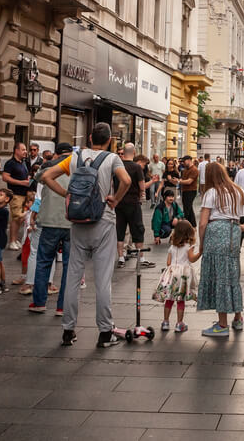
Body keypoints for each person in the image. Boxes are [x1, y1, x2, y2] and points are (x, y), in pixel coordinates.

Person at [40, 122, 132, 347]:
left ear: (90, 138)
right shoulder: (112, 159)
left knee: (72, 277)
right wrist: (116, 199)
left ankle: (68, 330)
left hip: (78, 222)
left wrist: (66, 194)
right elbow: (127, 181)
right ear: (109, 140)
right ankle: (104, 332)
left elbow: (46, 176)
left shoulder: (73, 158)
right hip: (103, 221)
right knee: (102, 280)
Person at [196, 162, 244, 337]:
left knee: (220, 277)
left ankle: (222, 324)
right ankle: (238, 318)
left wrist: (201, 244)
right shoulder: (236, 190)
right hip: (233, 232)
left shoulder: (211, 193)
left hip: (216, 233)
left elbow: (203, 223)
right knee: (232, 274)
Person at [29, 142, 72, 315]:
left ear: (56, 154)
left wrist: (49, 163)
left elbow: (37, 178)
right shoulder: (76, 165)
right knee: (70, 266)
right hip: (71, 221)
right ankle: (62, 306)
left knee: (44, 261)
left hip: (49, 221)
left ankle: (39, 303)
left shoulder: (49, 166)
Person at [153, 219, 199, 333]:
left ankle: (165, 322)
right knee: (180, 300)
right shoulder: (189, 246)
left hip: (171, 273)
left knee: (169, 299)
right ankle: (179, 324)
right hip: (183, 275)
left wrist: (173, 267)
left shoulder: (172, 247)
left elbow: (168, 263)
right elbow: (192, 259)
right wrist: (200, 253)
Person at [116, 154, 154, 269]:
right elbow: (142, 187)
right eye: (143, 164)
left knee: (120, 231)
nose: (143, 167)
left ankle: (121, 258)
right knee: (138, 230)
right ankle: (141, 258)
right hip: (133, 203)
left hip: (119, 203)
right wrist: (151, 182)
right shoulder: (136, 168)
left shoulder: (117, 166)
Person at [2, 142, 32, 249]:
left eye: (25, 150)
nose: (25, 152)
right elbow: (5, 177)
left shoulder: (23, 163)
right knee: (16, 217)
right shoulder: (10, 163)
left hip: (24, 194)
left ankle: (15, 239)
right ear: (16, 150)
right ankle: (12, 241)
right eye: (23, 150)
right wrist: (21, 182)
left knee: (20, 219)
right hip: (15, 194)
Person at [179, 156, 198, 226]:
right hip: (185, 190)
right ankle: (193, 225)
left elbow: (189, 181)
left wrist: (179, 181)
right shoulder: (185, 170)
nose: (183, 163)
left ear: (190, 160)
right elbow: (183, 180)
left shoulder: (194, 170)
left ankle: (185, 225)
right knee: (189, 208)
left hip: (191, 190)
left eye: (184, 161)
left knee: (187, 209)